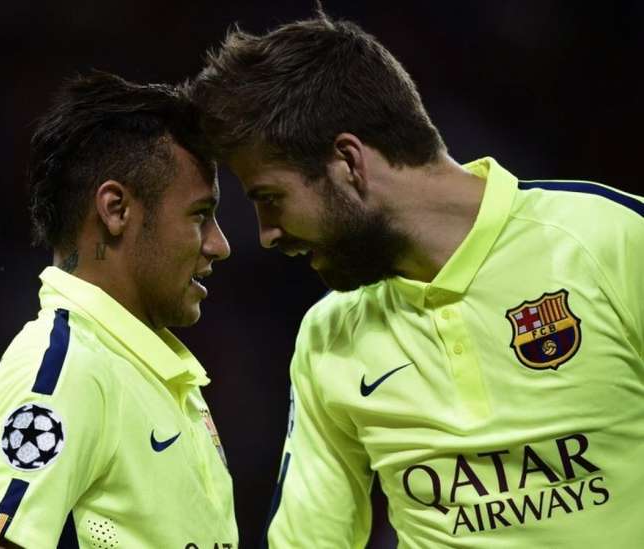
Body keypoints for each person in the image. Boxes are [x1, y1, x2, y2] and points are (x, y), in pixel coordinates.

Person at [190, 12, 644, 549]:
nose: (266, 235)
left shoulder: (612, 238)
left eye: (270, 198)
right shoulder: (328, 336)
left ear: (347, 162)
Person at [0, 71, 237, 549]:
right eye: (199, 215)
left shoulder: (152, 374)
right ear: (116, 209)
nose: (220, 245)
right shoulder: (65, 372)